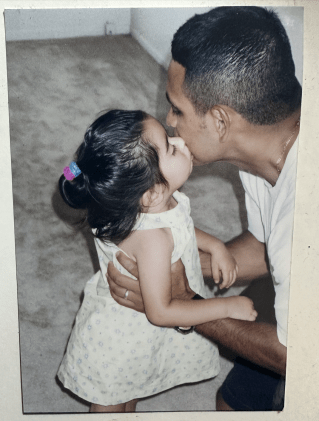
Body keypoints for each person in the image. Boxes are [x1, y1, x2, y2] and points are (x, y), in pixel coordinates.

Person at [106, 6, 302, 411]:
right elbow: (264, 250)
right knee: (228, 407)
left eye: (177, 109)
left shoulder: (302, 211)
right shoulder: (265, 144)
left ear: (219, 122)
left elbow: (297, 355)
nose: (168, 120)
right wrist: (164, 258)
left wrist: (183, 301)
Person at [57, 109, 257, 413]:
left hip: (138, 334)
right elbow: (162, 311)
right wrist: (228, 306)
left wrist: (215, 245)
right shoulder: (152, 239)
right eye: (170, 147)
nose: (181, 141)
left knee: (131, 388)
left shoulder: (144, 205)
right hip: (121, 339)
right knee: (112, 400)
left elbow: (181, 224)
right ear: (150, 194)